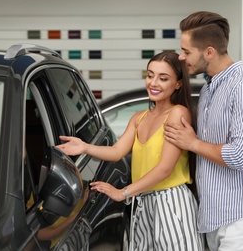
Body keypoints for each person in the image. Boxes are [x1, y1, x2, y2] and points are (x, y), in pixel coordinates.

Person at [56, 51, 204, 251]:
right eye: (150, 75)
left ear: (178, 83)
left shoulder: (178, 113)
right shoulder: (139, 117)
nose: (153, 83)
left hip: (171, 202)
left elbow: (165, 169)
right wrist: (84, 146)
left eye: (163, 78)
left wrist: (122, 193)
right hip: (143, 202)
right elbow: (117, 151)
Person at [163, 11, 243, 251]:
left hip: (241, 218)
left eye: (186, 51)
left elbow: (241, 156)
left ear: (209, 52)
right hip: (213, 216)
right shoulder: (209, 88)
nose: (181, 57)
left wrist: (192, 143)